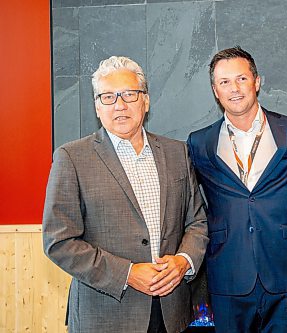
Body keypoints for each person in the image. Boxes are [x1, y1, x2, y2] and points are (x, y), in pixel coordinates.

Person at [43, 56, 209, 333]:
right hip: (106, 315)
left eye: (129, 95)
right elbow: (58, 241)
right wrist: (128, 274)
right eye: (108, 97)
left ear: (145, 101)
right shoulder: (71, 157)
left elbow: (197, 222)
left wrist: (183, 261)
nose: (119, 105)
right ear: (97, 106)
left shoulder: (176, 153)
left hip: (171, 313)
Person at [187, 46, 287, 332]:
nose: (234, 88)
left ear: (256, 82)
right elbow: (187, 202)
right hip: (228, 275)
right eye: (224, 82)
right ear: (215, 90)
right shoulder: (199, 143)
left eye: (241, 79)